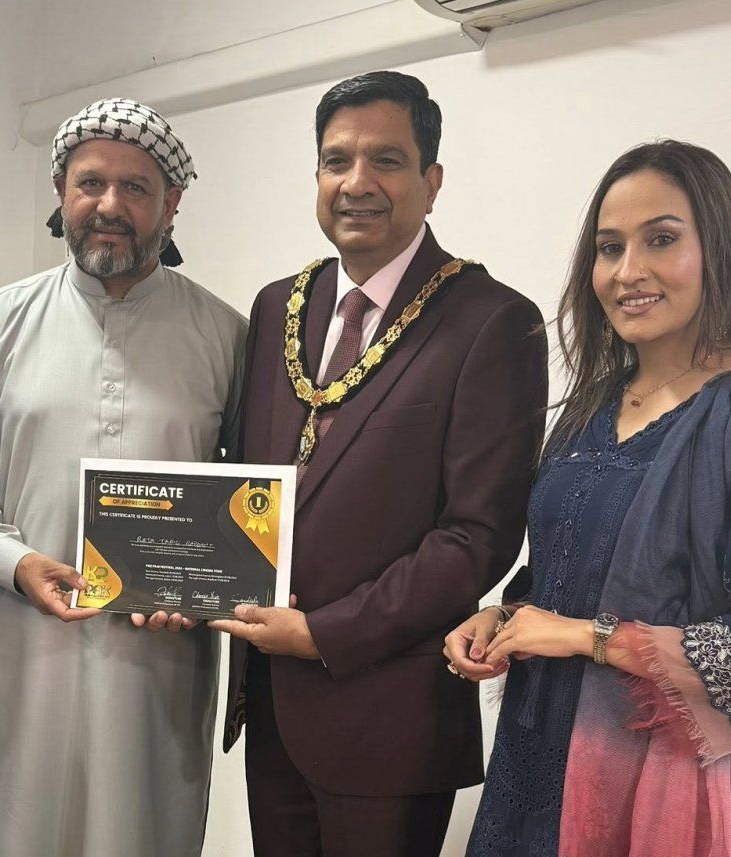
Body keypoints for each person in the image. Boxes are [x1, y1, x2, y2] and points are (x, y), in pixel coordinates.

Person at [209, 70, 548, 856]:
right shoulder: (275, 305)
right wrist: (182, 578)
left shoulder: (492, 321)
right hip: (270, 702)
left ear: (432, 182)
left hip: (390, 714)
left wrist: (321, 632)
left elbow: (475, 537)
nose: (357, 183)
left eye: (387, 161)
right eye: (336, 161)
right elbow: (249, 485)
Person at [445, 140, 731, 856]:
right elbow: (564, 572)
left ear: (719, 250)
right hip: (535, 758)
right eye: (609, 247)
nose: (628, 272)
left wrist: (589, 636)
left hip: (668, 785)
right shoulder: (590, 406)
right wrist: (508, 615)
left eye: (662, 240)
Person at [0, 98, 247, 857]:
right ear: (62, 196)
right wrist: (17, 561)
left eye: (135, 187)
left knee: (147, 827)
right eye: (89, 183)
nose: (109, 205)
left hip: (160, 663)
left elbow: (247, 493)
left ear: (172, 203)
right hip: (25, 648)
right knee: (18, 821)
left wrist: (208, 586)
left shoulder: (226, 335)